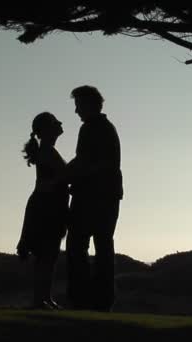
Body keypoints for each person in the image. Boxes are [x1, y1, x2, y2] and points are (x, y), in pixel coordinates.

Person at [64, 85, 123, 312]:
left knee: (77, 247)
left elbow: (83, 162)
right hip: (108, 197)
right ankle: (101, 300)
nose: (76, 111)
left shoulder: (90, 128)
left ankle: (81, 299)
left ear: (89, 105)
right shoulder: (107, 127)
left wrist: (61, 176)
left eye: (78, 105)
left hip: (91, 197)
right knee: (103, 247)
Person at [16, 112, 69, 310]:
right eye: (56, 122)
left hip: (49, 206)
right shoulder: (47, 151)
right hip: (47, 207)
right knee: (46, 255)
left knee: (49, 255)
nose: (61, 123)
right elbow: (63, 175)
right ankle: (40, 299)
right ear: (47, 129)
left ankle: (45, 297)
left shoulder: (48, 150)